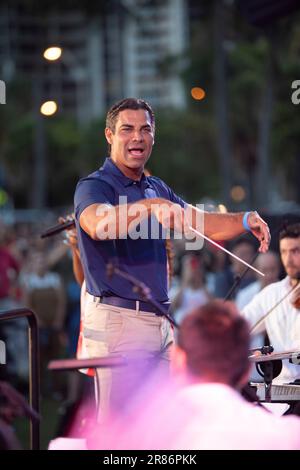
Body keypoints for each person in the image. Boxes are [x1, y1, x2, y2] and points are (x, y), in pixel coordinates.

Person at [74, 97, 270, 422]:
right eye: (127, 129)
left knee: (161, 429)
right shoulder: (95, 185)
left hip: (161, 322)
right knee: (123, 433)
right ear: (109, 135)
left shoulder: (156, 187)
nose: (137, 137)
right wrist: (150, 208)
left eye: (145, 130)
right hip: (119, 321)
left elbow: (199, 222)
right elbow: (97, 224)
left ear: (153, 137)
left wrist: (246, 219)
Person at [242, 223, 300, 385]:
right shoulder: (271, 294)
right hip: (282, 386)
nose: (288, 259)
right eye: (284, 252)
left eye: (295, 251)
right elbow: (242, 325)